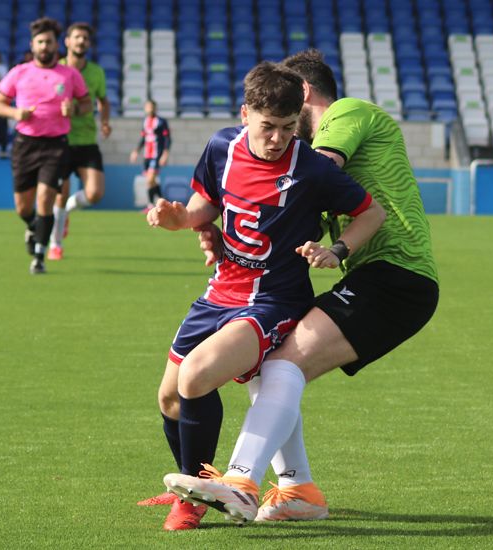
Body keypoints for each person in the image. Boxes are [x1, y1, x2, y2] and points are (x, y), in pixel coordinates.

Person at [162, 49, 440, 525]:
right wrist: (205, 220)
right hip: (371, 274)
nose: (281, 139)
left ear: (304, 96)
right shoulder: (238, 146)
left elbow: (313, 167)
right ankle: (298, 490)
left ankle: (241, 482)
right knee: (276, 366)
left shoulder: (345, 115)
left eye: (290, 126)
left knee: (283, 365)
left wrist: (255, 201)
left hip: (398, 275)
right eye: (269, 126)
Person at [0, 17, 90, 274]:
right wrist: (17, 114)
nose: (45, 46)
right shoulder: (19, 72)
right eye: (40, 42)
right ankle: (32, 225)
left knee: (46, 198)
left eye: (49, 42)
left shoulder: (70, 74)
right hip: (25, 144)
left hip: (56, 145)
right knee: (23, 207)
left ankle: (39, 256)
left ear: (56, 44)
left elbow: (86, 104)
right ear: (32, 45)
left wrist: (75, 108)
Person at [48, 21, 111, 261]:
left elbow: (103, 101)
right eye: (77, 37)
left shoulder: (96, 72)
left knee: (95, 193)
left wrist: (104, 122)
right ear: (67, 41)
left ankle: (66, 214)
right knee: (59, 194)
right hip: (60, 139)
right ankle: (55, 244)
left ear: (89, 43)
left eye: (85, 38)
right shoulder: (55, 69)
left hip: (86, 139)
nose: (81, 41)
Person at [129, 100, 169, 209]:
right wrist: (136, 151)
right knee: (152, 182)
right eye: (148, 107)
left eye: (152, 107)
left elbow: (167, 138)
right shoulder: (145, 121)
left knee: (149, 180)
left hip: (157, 155)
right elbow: (143, 138)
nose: (150, 109)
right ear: (145, 108)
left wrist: (165, 154)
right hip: (147, 155)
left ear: (155, 108)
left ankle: (151, 205)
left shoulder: (161, 121)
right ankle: (164, 203)